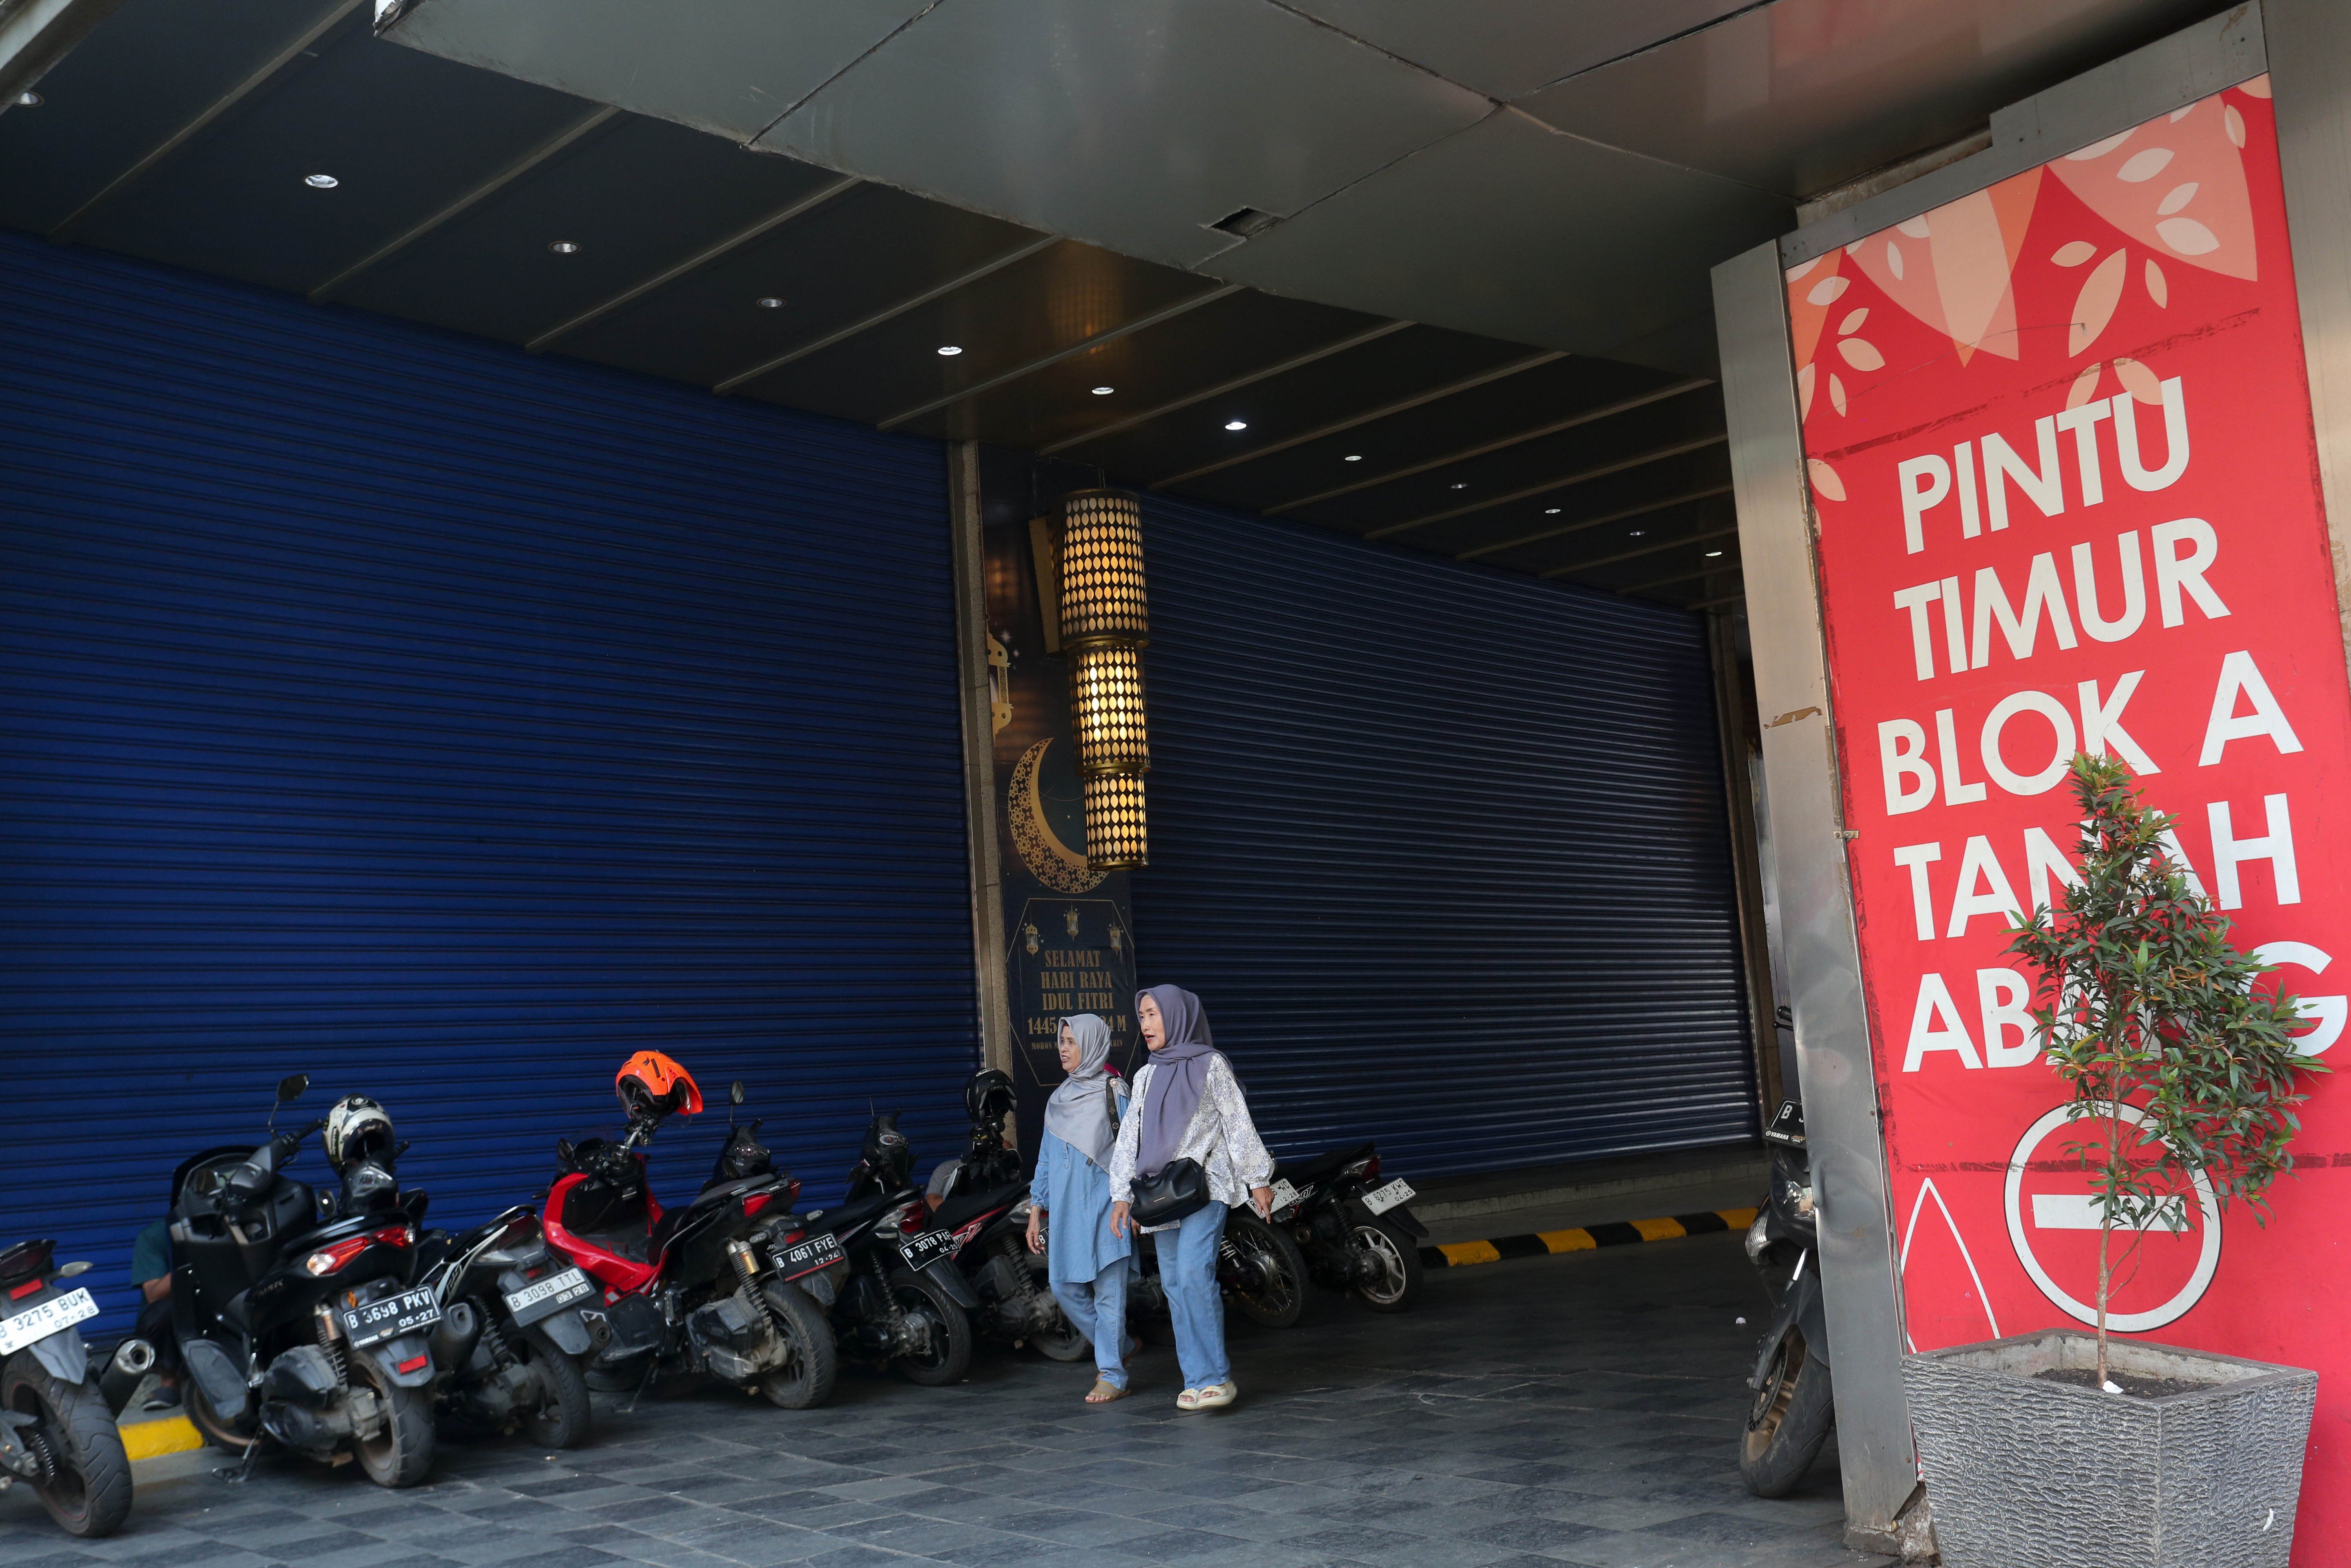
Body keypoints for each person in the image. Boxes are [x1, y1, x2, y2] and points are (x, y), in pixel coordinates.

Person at [1108, 984, 1272, 1412]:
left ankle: (1216, 1377)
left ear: (1176, 1015)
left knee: (1194, 1274)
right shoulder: (1145, 1075)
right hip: (1160, 1193)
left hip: (1205, 1186)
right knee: (1176, 1283)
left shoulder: (1210, 1065)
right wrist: (1121, 1195)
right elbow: (1130, 1137)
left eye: (1152, 1014)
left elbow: (1237, 1121)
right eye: (1141, 1016)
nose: (1144, 1024)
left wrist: (1257, 1178)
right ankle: (1195, 1379)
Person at [1026, 1014, 1134, 1403]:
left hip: (1108, 1208)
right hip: (1069, 1211)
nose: (1063, 1048)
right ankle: (1117, 1343)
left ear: (1090, 1045)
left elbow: (1130, 1152)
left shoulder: (1114, 1091)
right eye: (1062, 1041)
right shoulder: (1058, 1099)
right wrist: (1037, 1209)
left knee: (1108, 1293)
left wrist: (1129, 1203)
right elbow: (1045, 1159)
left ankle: (1112, 1373)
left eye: (1071, 1042)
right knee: (1063, 1286)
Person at [129, 1218, 181, 1410]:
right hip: (174, 1319)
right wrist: (190, 1259)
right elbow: (154, 1295)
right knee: (161, 1311)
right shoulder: (156, 1235)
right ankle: (169, 1381)